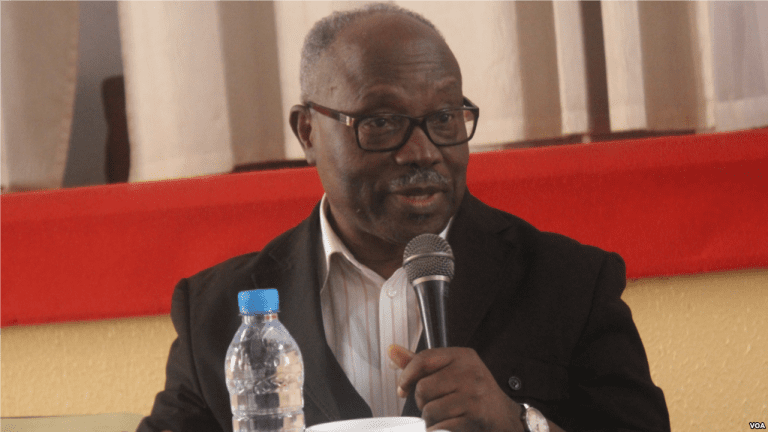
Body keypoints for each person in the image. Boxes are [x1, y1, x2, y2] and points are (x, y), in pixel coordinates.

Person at [138, 4, 670, 432]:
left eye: (445, 117)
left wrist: (520, 424)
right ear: (307, 132)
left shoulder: (568, 283)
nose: (423, 151)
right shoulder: (218, 312)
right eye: (382, 121)